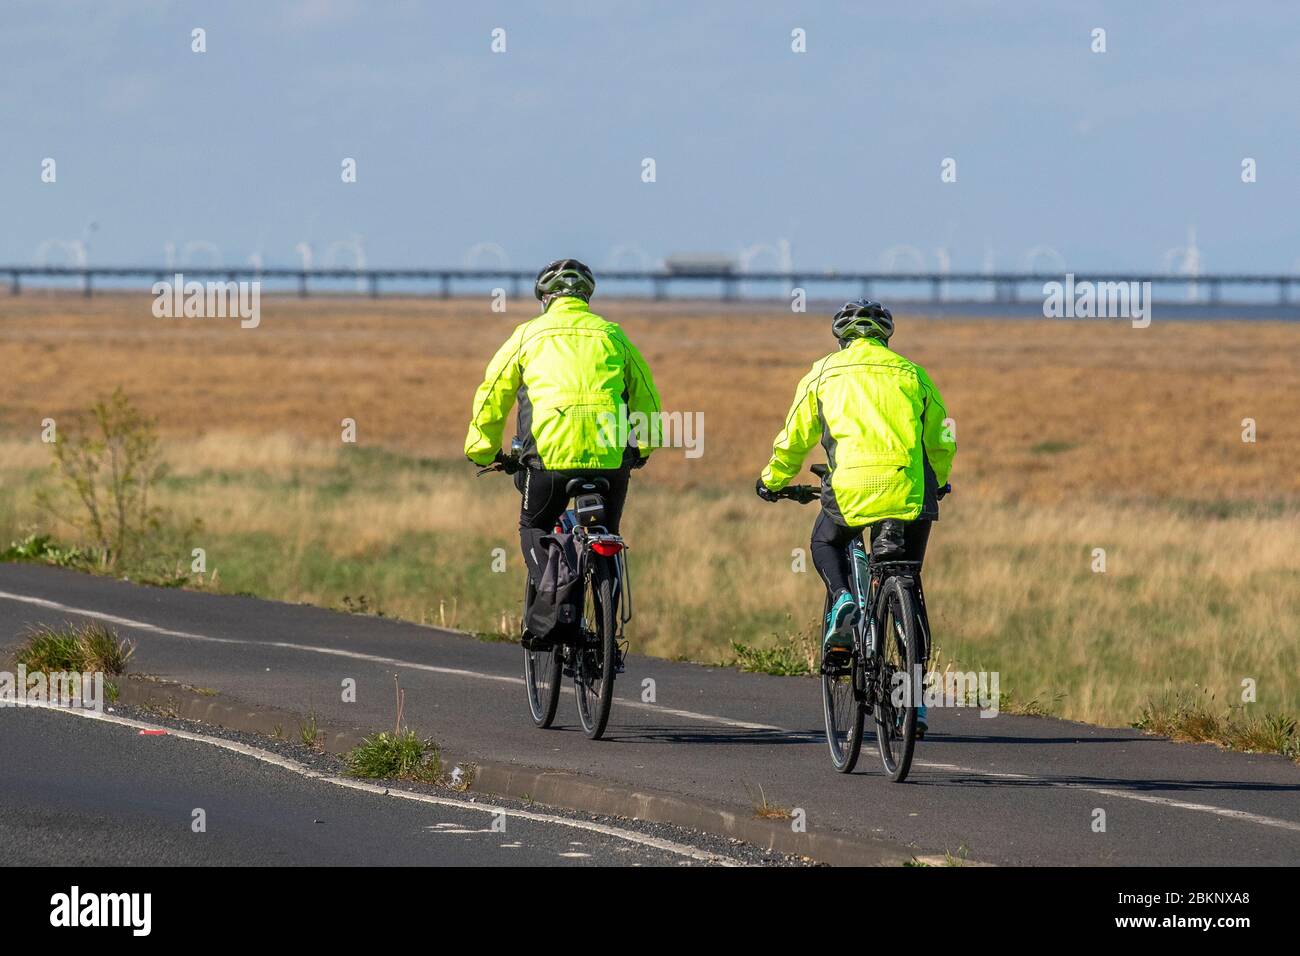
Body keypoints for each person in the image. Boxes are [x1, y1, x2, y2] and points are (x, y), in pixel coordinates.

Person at [756, 300, 955, 733]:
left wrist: (772, 482)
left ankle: (844, 599)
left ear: (842, 337)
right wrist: (938, 478)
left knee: (826, 542)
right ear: (886, 336)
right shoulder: (912, 373)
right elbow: (941, 436)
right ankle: (915, 702)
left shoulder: (824, 372)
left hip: (849, 492)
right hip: (909, 493)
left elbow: (794, 438)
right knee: (909, 583)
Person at [464, 258, 662, 605]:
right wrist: (643, 446)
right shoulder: (612, 334)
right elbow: (646, 395)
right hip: (610, 459)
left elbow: (492, 395)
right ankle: (607, 641)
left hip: (549, 460)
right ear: (586, 297)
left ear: (545, 299)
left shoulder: (527, 335)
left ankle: (555, 594)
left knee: (534, 528)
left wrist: (483, 449)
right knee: (608, 535)